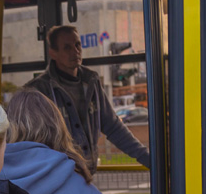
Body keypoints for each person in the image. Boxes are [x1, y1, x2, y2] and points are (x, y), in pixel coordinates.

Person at [25, 25, 149, 172]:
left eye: (77, 45)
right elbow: (30, 141)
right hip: (56, 176)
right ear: (53, 53)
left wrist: (148, 159)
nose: (75, 51)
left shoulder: (91, 82)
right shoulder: (39, 91)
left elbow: (113, 127)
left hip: (86, 173)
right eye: (67, 48)